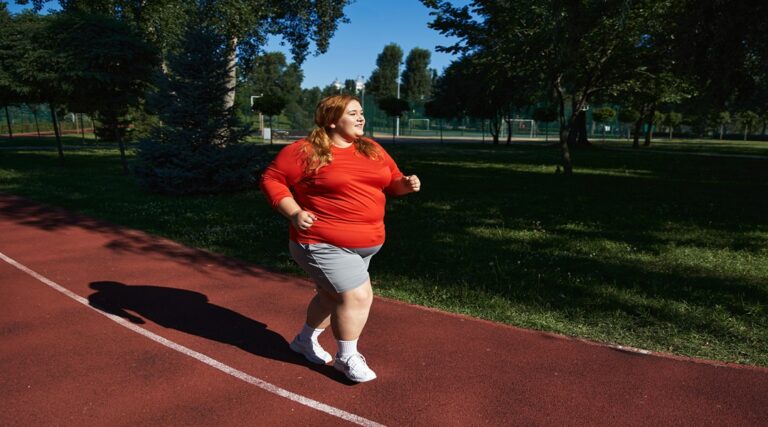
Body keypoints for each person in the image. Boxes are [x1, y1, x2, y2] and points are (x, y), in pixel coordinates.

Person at [260, 94, 420, 382]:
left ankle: (303, 341)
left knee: (330, 296)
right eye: (353, 113)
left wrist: (405, 184)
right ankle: (346, 357)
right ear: (332, 120)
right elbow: (272, 179)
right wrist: (294, 211)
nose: (362, 118)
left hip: (366, 243)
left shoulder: (371, 148)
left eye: (361, 113)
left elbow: (392, 180)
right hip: (321, 242)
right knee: (357, 296)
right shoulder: (306, 151)